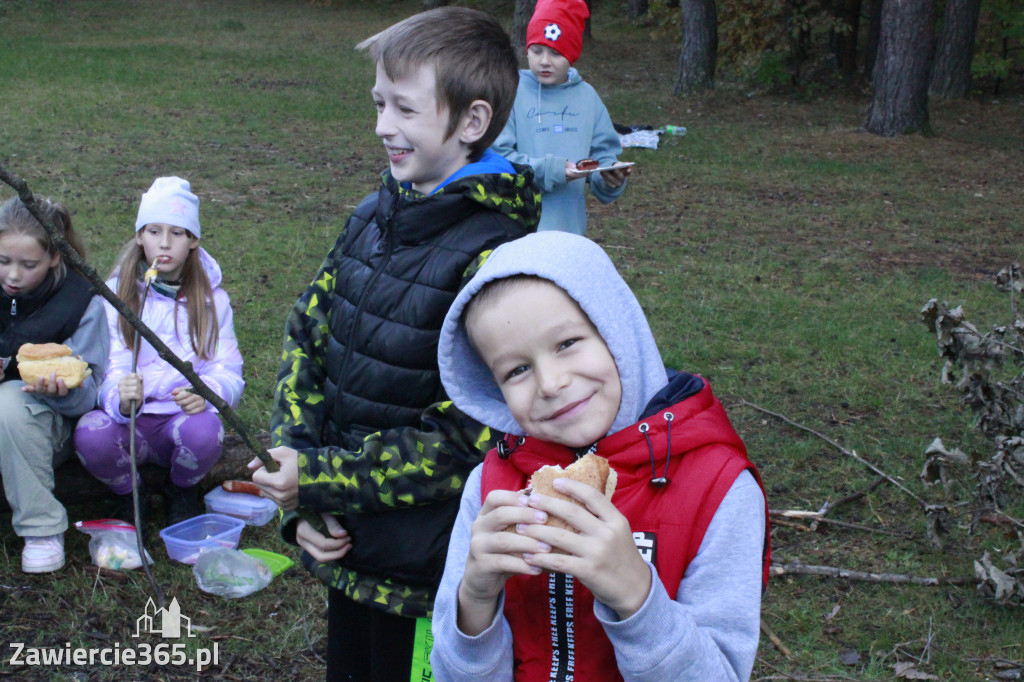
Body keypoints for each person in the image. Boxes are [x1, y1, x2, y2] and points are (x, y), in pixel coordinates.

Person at [248, 7, 540, 682]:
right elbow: (306, 338)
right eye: (380, 103)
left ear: (470, 122)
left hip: (425, 573)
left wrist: (320, 478)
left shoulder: (497, 256)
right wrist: (305, 492)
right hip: (348, 548)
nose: (383, 125)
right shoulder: (370, 217)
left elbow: (470, 435)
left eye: (405, 109)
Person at [431, 231, 770, 681]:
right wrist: (473, 601)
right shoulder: (493, 487)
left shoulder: (720, 488)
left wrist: (635, 594)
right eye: (517, 370)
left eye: (567, 343)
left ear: (617, 329)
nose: (550, 383)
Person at [74, 176, 244, 530]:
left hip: (178, 422)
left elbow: (227, 367)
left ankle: (180, 490)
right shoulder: (113, 295)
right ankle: (129, 493)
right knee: (90, 434)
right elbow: (108, 363)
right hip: (128, 425)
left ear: (193, 240)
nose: (164, 243)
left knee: (206, 430)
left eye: (177, 233)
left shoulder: (214, 302)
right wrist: (120, 398)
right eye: (153, 231)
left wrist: (207, 394)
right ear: (139, 235)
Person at [0, 196, 109, 573]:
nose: (13, 276)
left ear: (54, 258)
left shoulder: (81, 302)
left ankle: (41, 529)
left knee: (9, 400)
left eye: (28, 265)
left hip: (48, 427)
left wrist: (65, 393)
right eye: (3, 261)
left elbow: (92, 393)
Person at [492, 0, 631, 235]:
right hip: (514, 231)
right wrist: (550, 170)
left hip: (569, 232)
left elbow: (602, 157)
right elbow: (497, 161)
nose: (544, 61)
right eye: (536, 51)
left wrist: (609, 176)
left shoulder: (587, 97)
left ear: (572, 54)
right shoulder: (510, 92)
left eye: (556, 53)